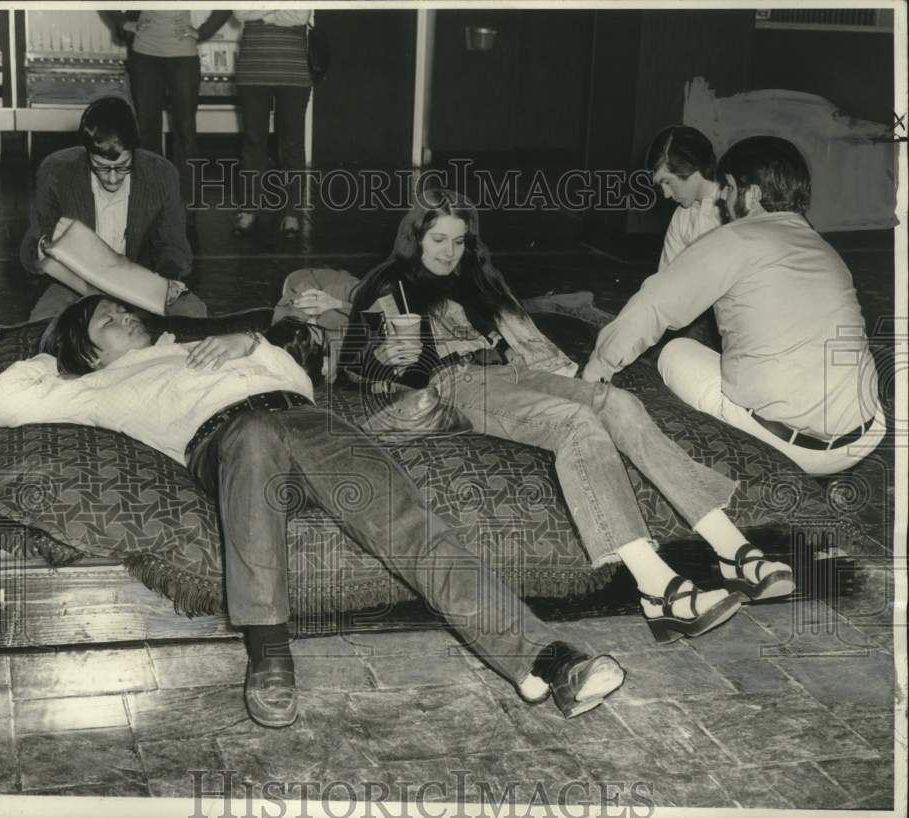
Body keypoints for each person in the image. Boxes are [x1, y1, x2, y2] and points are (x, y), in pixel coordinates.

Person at [0, 294, 629, 729]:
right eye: (106, 320)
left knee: (410, 525)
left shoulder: (201, 343)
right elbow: (4, 402)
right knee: (258, 438)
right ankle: (270, 656)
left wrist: (247, 343)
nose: (125, 315)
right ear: (87, 351)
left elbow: (297, 376)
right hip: (233, 445)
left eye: (123, 308)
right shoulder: (94, 387)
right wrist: (51, 354)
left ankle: (545, 660)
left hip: (311, 425)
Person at [341, 189, 794, 645]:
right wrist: (383, 358)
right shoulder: (389, 284)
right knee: (575, 423)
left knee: (617, 403)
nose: (448, 252)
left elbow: (518, 333)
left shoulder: (471, 275)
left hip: (512, 371)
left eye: (459, 242)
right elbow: (353, 367)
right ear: (415, 237)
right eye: (438, 240)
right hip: (457, 383)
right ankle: (657, 588)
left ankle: (733, 549)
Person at [583, 137, 885, 476]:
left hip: (797, 450)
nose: (723, 202)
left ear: (751, 194)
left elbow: (653, 306)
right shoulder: (827, 249)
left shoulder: (734, 237)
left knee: (676, 352)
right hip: (865, 433)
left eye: (727, 190)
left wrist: (594, 371)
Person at [20, 96, 206, 321]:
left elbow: (173, 246)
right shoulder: (56, 171)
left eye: (123, 166)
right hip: (75, 283)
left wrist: (164, 284)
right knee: (43, 326)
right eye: (100, 167)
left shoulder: (162, 174)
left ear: (134, 150)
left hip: (143, 278)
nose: (112, 178)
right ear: (86, 153)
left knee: (193, 316)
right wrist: (47, 246)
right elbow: (30, 247)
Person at [104, 11, 233, 206]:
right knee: (147, 131)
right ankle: (153, 201)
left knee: (186, 132)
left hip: (183, 58)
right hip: (144, 56)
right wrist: (123, 22)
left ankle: (187, 204)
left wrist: (204, 31)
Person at [231, 9, 313, 237]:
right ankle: (249, 209)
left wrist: (261, 12)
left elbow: (300, 16)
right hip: (252, 71)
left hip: (293, 72)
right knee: (253, 142)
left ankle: (293, 214)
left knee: (292, 145)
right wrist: (278, 11)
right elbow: (240, 12)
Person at [647, 126, 723, 268]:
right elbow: (666, 276)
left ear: (690, 167)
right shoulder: (681, 216)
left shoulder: (735, 209)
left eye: (668, 182)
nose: (666, 194)